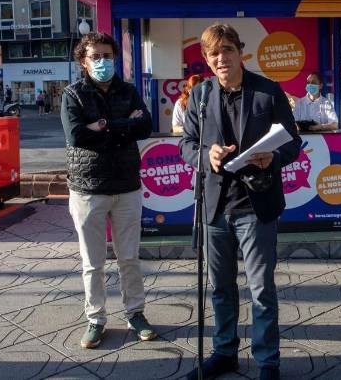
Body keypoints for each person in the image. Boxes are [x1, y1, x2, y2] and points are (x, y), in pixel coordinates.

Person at [179, 24, 301, 380]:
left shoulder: (267, 91)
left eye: (227, 50)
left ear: (240, 52)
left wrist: (272, 158)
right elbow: (186, 144)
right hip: (214, 207)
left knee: (261, 289)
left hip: (256, 206)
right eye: (213, 54)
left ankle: (267, 362)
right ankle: (224, 352)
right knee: (220, 288)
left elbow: (293, 143)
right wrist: (207, 156)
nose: (221, 59)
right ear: (206, 58)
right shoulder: (200, 97)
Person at [61, 32, 156, 349]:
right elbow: (76, 136)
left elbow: (145, 125)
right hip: (88, 189)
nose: (103, 62)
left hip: (127, 185)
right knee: (93, 261)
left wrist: (102, 125)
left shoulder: (128, 92)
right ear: (83, 62)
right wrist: (121, 125)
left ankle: (136, 313)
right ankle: (96, 319)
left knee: (129, 258)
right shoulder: (73, 95)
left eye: (107, 55)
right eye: (96, 57)